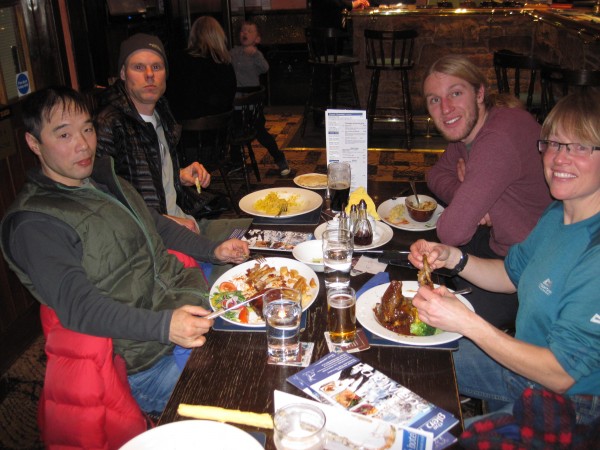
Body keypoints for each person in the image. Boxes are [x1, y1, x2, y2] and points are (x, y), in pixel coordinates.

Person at [0, 86, 250, 414]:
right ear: (34, 143)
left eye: (87, 129)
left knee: (275, 327)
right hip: (146, 361)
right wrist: (165, 326)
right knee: (247, 393)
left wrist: (213, 250)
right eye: (64, 135)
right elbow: (81, 310)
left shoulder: (103, 180)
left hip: (187, 305)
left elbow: (157, 227)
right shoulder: (35, 223)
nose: (82, 144)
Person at [408, 90, 600, 426]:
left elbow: (561, 375)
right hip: (519, 369)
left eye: (580, 147)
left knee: (433, 438)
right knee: (407, 348)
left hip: (570, 408)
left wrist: (466, 322)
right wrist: (452, 257)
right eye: (553, 144)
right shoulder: (557, 214)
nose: (559, 158)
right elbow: (511, 277)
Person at [423, 54, 552, 329]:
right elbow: (434, 175)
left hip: (531, 275)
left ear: (480, 93)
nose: (445, 108)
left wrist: (476, 200)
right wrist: (468, 192)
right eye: (434, 100)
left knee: (433, 318)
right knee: (418, 255)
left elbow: (453, 232)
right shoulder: (467, 133)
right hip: (500, 246)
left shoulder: (497, 137)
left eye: (455, 93)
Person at [95, 33, 213, 235]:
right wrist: (165, 222)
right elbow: (104, 200)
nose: (150, 75)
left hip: (182, 223)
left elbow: (142, 179)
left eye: (156, 67)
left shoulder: (162, 113)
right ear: (123, 73)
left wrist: (178, 176)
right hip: (149, 238)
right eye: (138, 67)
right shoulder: (108, 124)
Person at [166, 16, 237, 170]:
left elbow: (170, 99)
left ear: (193, 35)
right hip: (218, 142)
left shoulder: (177, 61)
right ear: (219, 36)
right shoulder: (225, 65)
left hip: (185, 144)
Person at [230, 20, 290, 176]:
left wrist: (255, 54)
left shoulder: (256, 54)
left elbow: (265, 68)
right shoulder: (233, 52)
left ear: (257, 39)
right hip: (236, 103)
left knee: (260, 133)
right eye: (243, 30)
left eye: (250, 31)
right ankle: (236, 162)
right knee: (234, 132)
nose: (245, 33)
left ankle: (279, 158)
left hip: (251, 105)